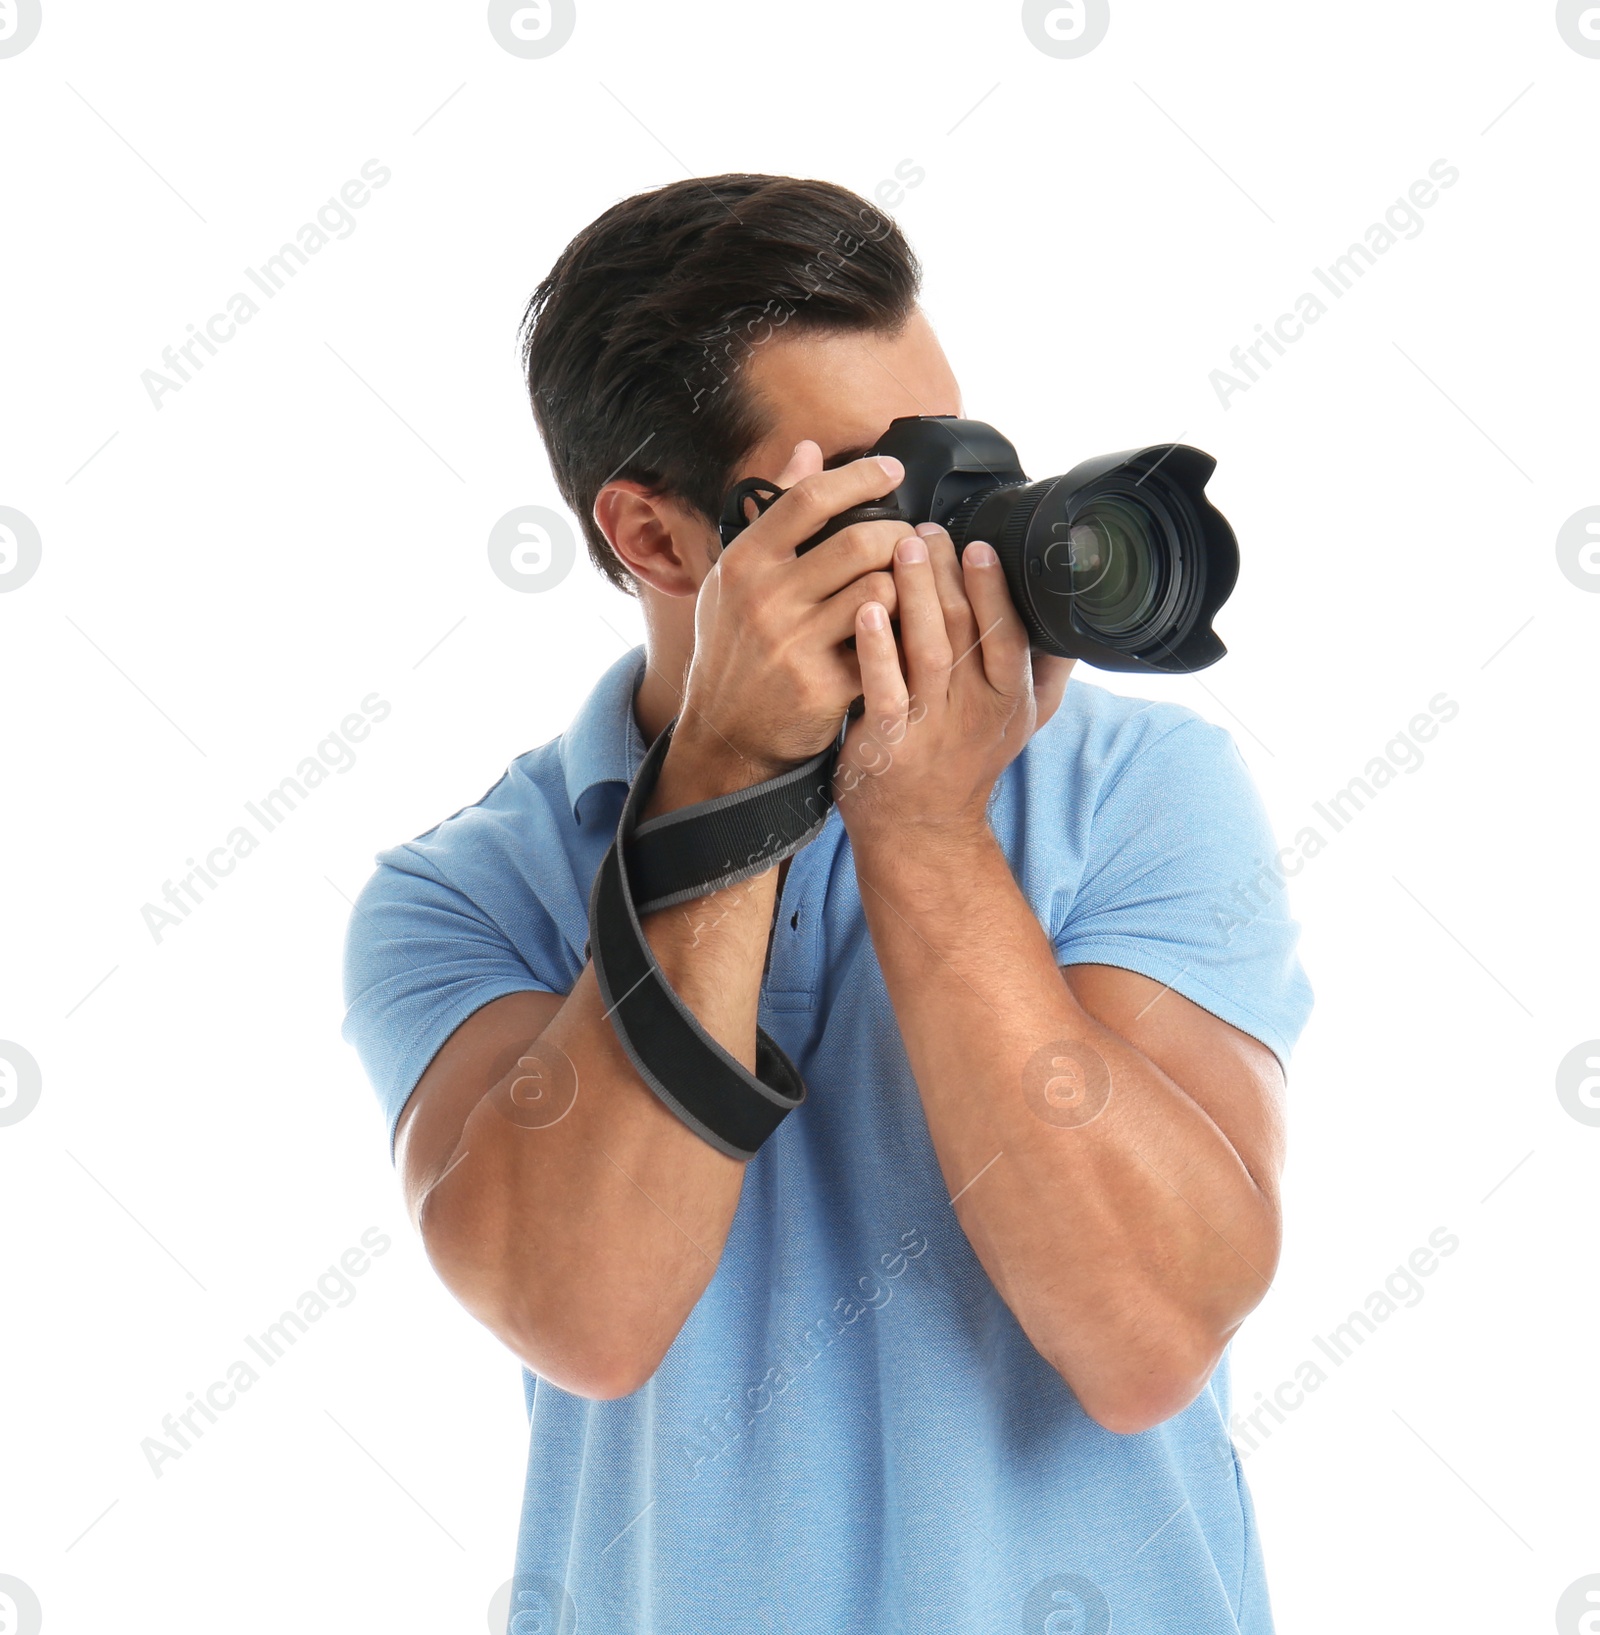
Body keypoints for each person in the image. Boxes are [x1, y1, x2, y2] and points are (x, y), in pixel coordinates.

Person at [342, 173, 1313, 1635]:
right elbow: (586, 1317)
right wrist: (729, 787)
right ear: (657, 539)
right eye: (879, 489)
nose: (957, 545)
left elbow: (1148, 1337)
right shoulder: (467, 896)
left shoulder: (1140, 791)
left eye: (962, 466)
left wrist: (923, 831)